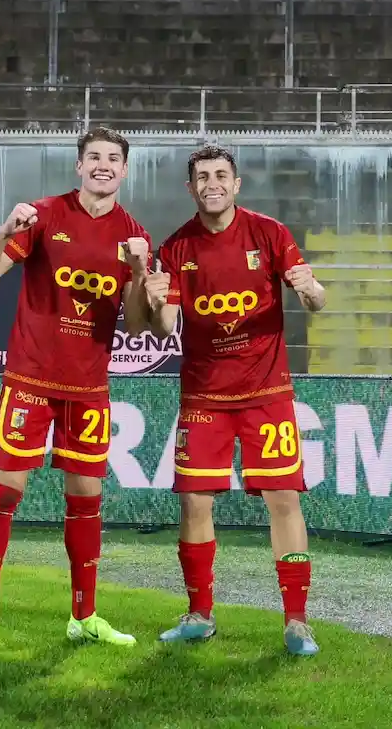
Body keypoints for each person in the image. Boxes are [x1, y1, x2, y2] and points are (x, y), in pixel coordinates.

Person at [0, 126, 153, 655]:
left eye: (112, 158)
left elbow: (139, 325)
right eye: (94, 157)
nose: (103, 165)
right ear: (79, 165)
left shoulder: (133, 235)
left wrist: (140, 270)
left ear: (124, 170)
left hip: (88, 388)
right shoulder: (43, 215)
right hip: (30, 380)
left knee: (86, 501)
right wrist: (4, 231)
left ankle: (84, 616)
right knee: (4, 493)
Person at [138, 145, 327, 657]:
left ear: (236, 184)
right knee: (194, 502)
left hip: (266, 393)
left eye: (221, 175)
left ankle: (296, 621)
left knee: (283, 499)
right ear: (191, 188)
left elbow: (316, 299)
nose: (212, 184)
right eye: (202, 177)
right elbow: (165, 328)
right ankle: (200, 615)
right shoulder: (177, 248)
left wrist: (310, 289)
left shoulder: (269, 233)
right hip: (204, 396)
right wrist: (154, 301)